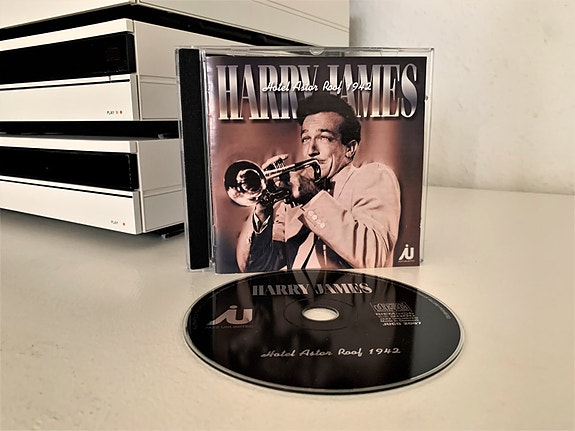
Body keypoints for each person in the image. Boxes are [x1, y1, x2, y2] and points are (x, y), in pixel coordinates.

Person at [236, 93, 401, 271]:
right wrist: (263, 209)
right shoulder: (291, 204)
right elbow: (254, 268)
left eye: (324, 138)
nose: (311, 150)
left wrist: (313, 199)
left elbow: (374, 258)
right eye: (306, 139)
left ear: (350, 148)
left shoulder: (373, 176)